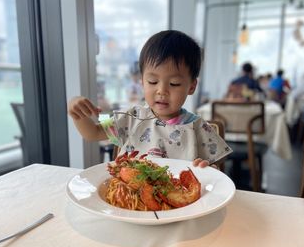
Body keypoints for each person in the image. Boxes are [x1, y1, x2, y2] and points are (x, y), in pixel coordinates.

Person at [68, 30, 232, 168]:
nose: (161, 91)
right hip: (129, 199)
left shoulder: (197, 126)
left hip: (179, 202)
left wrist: (208, 168)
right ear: (142, 82)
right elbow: (93, 133)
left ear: (191, 87)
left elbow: (218, 158)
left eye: (174, 83)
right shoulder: (131, 118)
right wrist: (77, 112)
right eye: (152, 82)